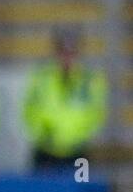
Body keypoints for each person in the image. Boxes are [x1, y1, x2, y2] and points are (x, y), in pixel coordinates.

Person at [24, 26, 107, 170]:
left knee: (80, 189)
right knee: (43, 191)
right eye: (63, 52)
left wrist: (79, 136)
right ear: (56, 53)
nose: (67, 58)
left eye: (71, 53)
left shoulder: (90, 81)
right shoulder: (41, 79)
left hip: (78, 152)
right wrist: (43, 133)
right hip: (46, 151)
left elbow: (97, 114)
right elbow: (29, 111)